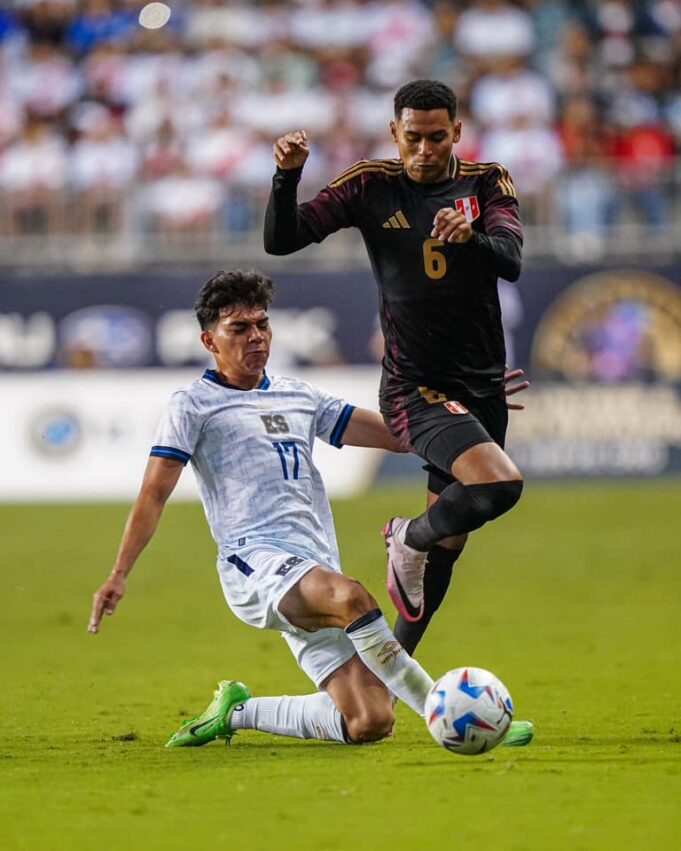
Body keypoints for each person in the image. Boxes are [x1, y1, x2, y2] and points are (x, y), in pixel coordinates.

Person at [87, 269, 535, 749]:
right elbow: (154, 492)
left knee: (368, 720)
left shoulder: (297, 394)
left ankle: (237, 711)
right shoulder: (192, 406)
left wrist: (465, 407)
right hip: (254, 564)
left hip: (313, 566)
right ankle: (450, 713)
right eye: (239, 329)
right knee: (352, 598)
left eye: (262, 324)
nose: (256, 336)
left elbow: (398, 435)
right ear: (209, 341)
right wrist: (119, 572)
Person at [265, 78, 527, 656]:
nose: (426, 149)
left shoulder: (487, 181)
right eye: (414, 137)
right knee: (500, 484)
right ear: (394, 133)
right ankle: (404, 537)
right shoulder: (368, 185)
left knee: (451, 543)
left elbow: (509, 258)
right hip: (414, 385)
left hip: (480, 385)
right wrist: (286, 178)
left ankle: (390, 673)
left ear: (457, 132)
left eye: (438, 137)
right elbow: (283, 240)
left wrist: (474, 239)